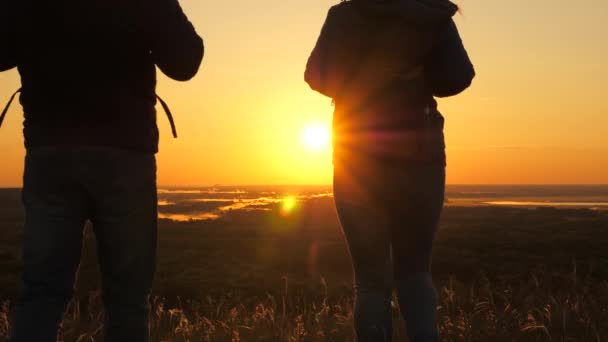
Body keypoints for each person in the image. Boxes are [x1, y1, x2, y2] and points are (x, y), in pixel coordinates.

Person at [0, 0, 204, 340]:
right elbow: (185, 61)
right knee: (127, 299)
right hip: (125, 152)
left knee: (42, 294)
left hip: (51, 149)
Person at [305, 0, 474, 341]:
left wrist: (357, 79)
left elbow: (316, 76)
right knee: (415, 273)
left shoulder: (344, 16)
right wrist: (417, 73)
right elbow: (458, 76)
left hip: (358, 158)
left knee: (370, 281)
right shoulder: (432, 13)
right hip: (420, 155)